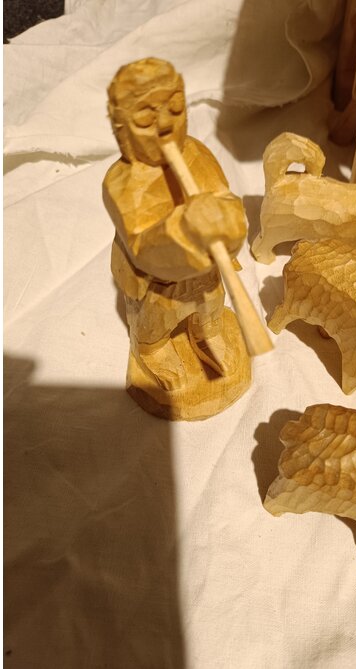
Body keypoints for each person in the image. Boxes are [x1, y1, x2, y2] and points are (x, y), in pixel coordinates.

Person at [103, 58, 251, 419]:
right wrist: (182, 230)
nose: (166, 123)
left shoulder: (197, 152)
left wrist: (225, 220)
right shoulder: (122, 183)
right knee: (157, 317)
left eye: (175, 108)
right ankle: (151, 350)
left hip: (205, 270)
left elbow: (223, 196)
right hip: (158, 280)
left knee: (211, 302)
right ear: (122, 129)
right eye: (145, 119)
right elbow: (140, 246)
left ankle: (207, 332)